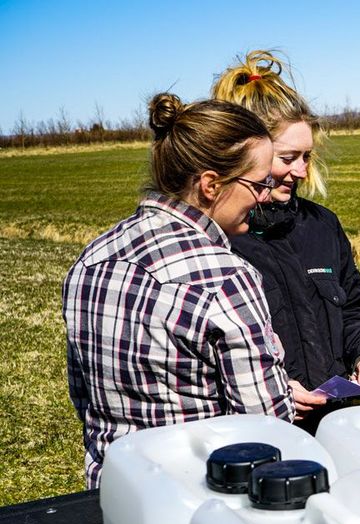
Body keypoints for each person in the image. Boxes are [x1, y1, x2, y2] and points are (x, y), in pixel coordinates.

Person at [63, 93, 294, 488]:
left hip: (111, 499)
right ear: (210, 184)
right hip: (196, 505)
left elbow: (85, 398)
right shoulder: (225, 277)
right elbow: (268, 429)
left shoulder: (90, 259)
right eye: (258, 185)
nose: (264, 197)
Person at [211, 51, 360, 434]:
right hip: (264, 433)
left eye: (308, 156)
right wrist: (274, 390)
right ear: (246, 152)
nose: (302, 171)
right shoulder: (219, 240)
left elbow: (354, 306)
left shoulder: (322, 226)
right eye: (288, 157)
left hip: (339, 424)